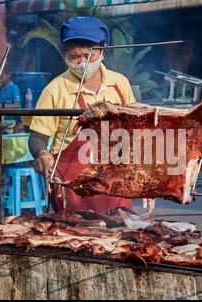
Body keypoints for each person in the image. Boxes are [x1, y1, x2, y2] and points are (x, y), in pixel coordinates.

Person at [28, 16, 136, 213]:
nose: (82, 63)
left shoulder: (120, 84)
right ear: (64, 55)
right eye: (74, 56)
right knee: (78, 236)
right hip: (72, 183)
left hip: (116, 179)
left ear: (102, 50)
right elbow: (37, 137)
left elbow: (135, 128)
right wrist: (42, 153)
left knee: (122, 235)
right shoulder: (55, 90)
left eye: (89, 56)